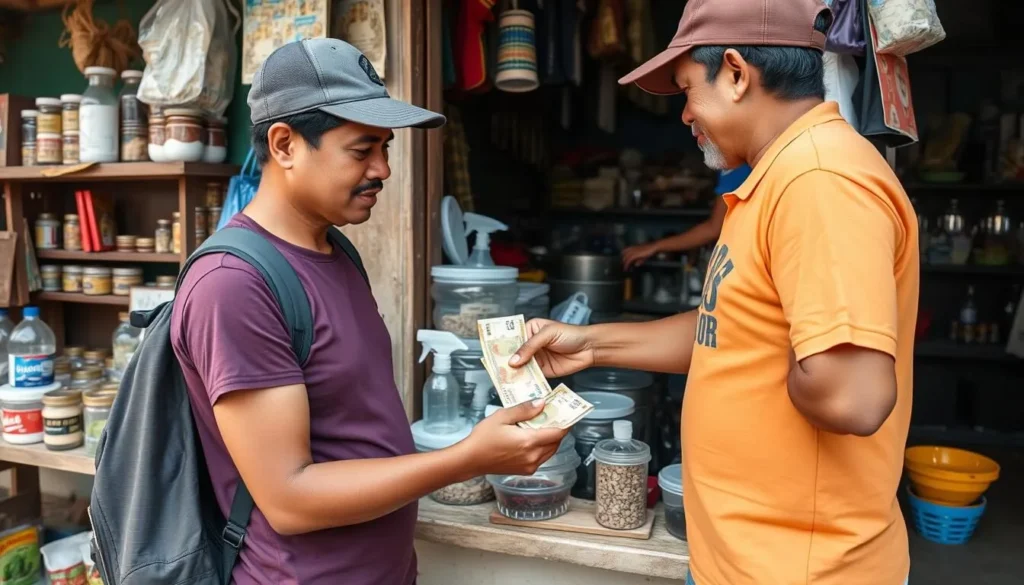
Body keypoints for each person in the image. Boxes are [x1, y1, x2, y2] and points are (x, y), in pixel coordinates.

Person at [511, 1, 919, 584]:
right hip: (744, 562)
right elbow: (732, 328)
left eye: (684, 90)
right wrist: (590, 345)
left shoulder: (820, 181)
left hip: (802, 571)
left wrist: (775, 353)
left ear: (734, 72)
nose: (684, 116)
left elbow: (850, 396)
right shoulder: (776, 178)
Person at [171, 39, 568, 584]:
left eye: (386, 147)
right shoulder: (234, 286)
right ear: (285, 144)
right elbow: (289, 498)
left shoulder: (334, 251)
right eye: (362, 150)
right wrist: (468, 457)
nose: (383, 168)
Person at [621, 165, 751, 269]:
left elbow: (713, 228)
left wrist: (654, 247)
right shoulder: (735, 165)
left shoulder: (736, 167)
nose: (698, 136)